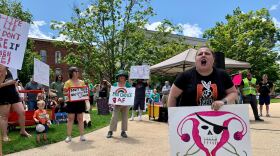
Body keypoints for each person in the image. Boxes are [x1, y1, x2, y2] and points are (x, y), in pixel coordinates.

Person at [168, 46, 237, 111]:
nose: (203, 55)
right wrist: (172, 117)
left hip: (217, 118)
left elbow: (233, 93)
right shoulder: (184, 76)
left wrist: (223, 102)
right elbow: (172, 96)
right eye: (200, 54)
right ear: (195, 60)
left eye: (207, 53)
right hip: (189, 120)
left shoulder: (223, 75)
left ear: (213, 59)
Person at [0, 65, 31, 142]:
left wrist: (17, 92)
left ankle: (22, 131)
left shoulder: (9, 70)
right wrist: (8, 81)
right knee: (4, 116)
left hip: (14, 94)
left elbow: (14, 84)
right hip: (3, 95)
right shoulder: (1, 71)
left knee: (22, 112)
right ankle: (4, 136)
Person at [64, 67, 87, 143]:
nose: (77, 72)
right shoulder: (67, 82)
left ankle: (82, 135)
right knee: (70, 119)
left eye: (77, 71)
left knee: (80, 118)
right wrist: (70, 93)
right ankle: (69, 136)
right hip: (71, 102)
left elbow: (84, 92)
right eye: (75, 71)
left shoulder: (82, 82)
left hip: (80, 102)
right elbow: (64, 93)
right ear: (71, 73)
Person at [107, 70, 131, 138]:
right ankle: (110, 131)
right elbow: (112, 93)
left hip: (125, 105)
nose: (122, 78)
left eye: (123, 77)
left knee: (125, 118)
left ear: (125, 77)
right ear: (118, 77)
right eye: (120, 77)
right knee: (114, 117)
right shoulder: (115, 84)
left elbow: (130, 94)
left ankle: (123, 131)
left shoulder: (128, 85)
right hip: (117, 104)